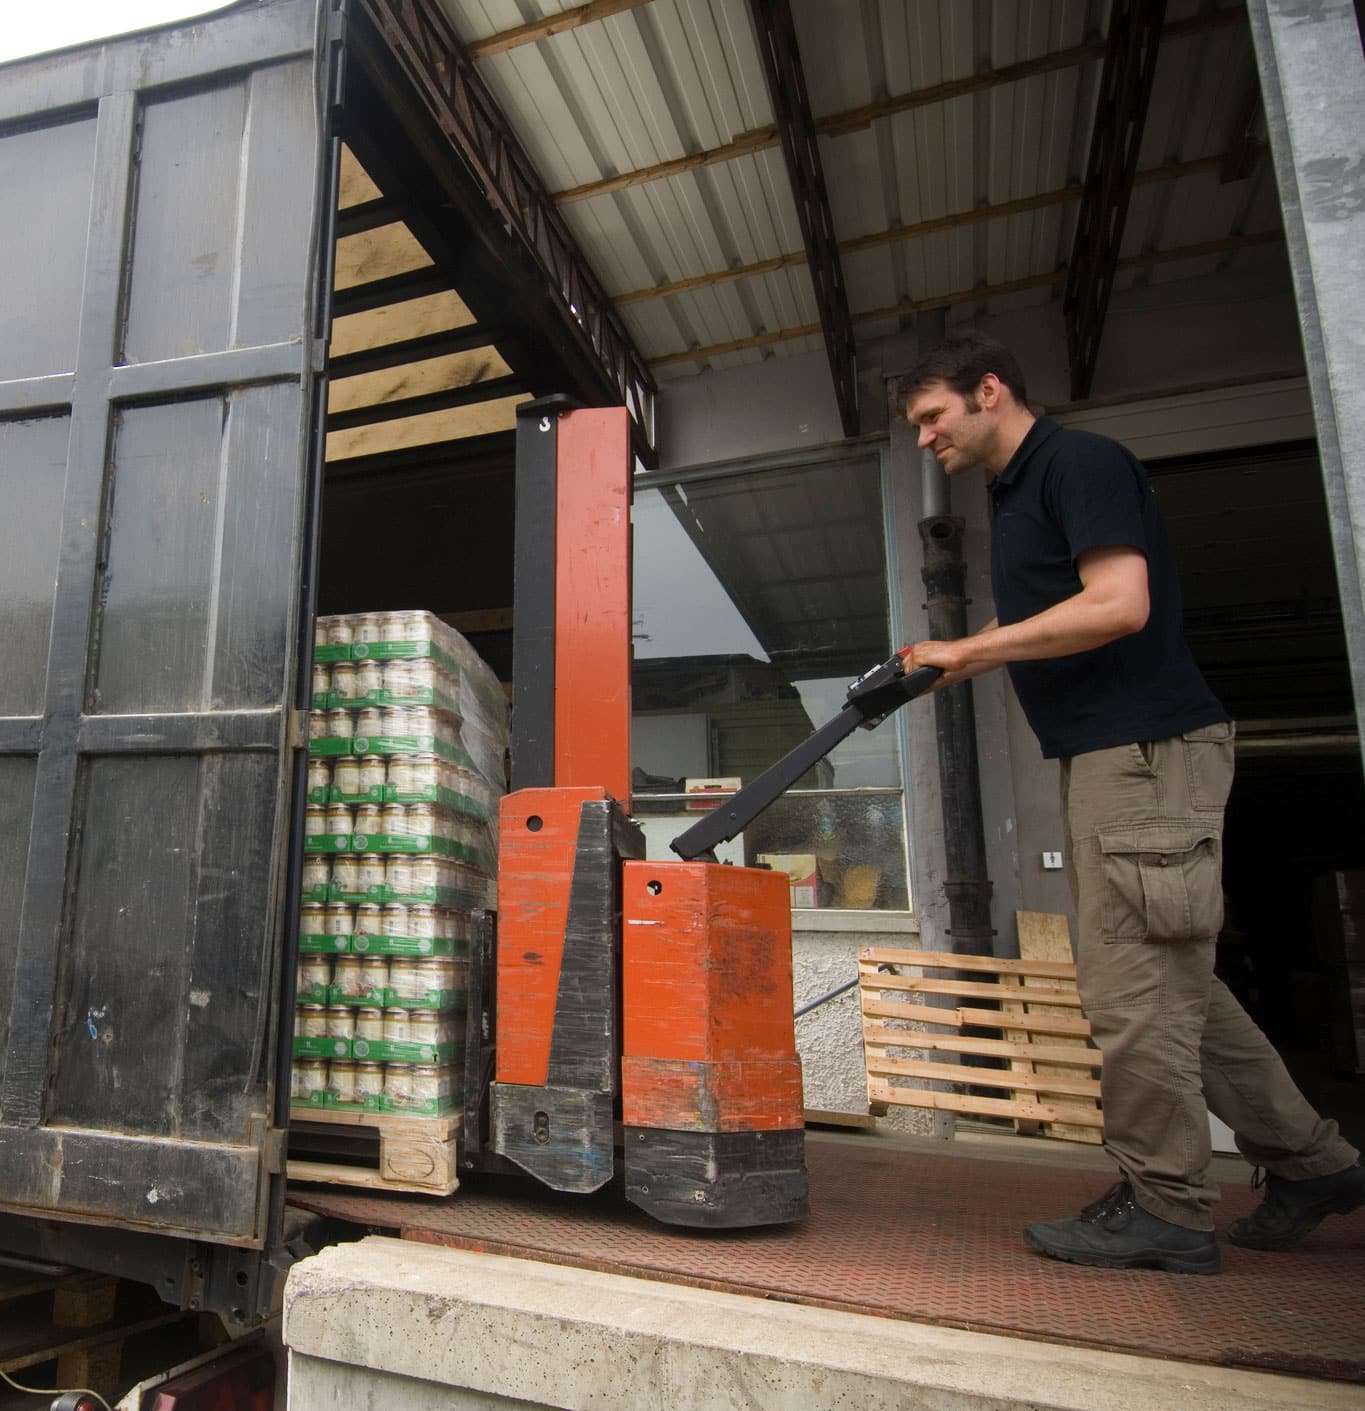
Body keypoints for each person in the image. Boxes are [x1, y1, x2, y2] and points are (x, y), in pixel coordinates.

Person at [900, 331, 1364, 1276]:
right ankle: (1315, 1165)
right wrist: (954, 656)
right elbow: (1054, 601)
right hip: (1112, 755)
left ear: (990, 390)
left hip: (1143, 754)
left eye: (931, 416)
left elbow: (1117, 604)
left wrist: (975, 652)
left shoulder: (1080, 461)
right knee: (1175, 986)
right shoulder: (1019, 488)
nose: (922, 439)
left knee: (1130, 995)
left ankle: (1166, 1209)